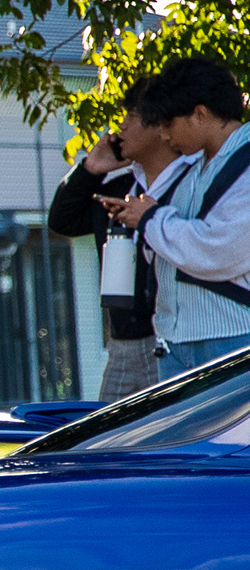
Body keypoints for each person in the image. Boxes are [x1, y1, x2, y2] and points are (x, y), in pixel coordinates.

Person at [105, 58, 250, 381]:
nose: (164, 135)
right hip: (174, 340)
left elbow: (219, 249)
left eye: (168, 123)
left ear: (199, 114)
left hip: (234, 337)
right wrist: (144, 219)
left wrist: (150, 218)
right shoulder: (192, 170)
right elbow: (164, 249)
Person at [52, 106, 180, 403]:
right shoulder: (120, 189)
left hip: (170, 338)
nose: (120, 127)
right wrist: (91, 168)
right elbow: (62, 221)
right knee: (109, 431)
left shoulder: (188, 185)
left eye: (130, 117)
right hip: (122, 344)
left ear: (161, 127)